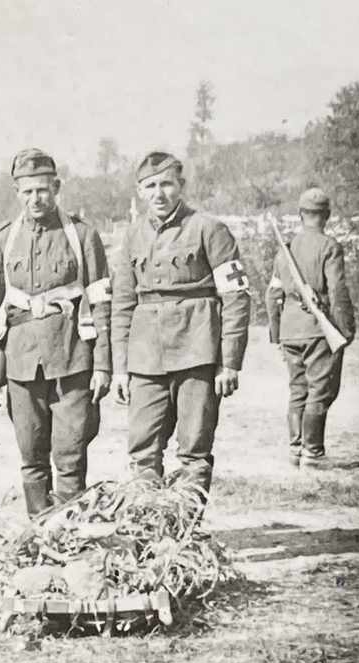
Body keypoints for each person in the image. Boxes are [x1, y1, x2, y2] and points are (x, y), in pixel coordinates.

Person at [0, 148, 111, 518]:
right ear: (17, 192)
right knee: (31, 453)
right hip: (21, 363)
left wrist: (104, 366)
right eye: (27, 191)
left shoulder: (82, 235)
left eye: (43, 190)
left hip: (72, 358)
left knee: (70, 453)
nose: (36, 198)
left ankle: (71, 535)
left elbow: (101, 304)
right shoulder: (4, 240)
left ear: (57, 187)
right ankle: (41, 533)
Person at [110, 151, 251, 496]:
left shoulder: (209, 229)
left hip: (197, 353)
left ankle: (182, 538)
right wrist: (120, 367)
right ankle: (148, 532)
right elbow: (123, 304)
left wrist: (229, 362)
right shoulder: (131, 236)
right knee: (142, 451)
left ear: (181, 186)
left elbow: (236, 298)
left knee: (194, 451)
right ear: (140, 191)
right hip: (145, 358)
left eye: (166, 184)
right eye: (150, 186)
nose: (159, 193)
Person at [264, 187, 356, 467]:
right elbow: (337, 290)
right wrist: (345, 328)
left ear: (301, 214)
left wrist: (277, 333)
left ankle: (295, 449)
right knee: (319, 390)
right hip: (318, 329)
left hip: (291, 330)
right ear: (326, 215)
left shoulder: (285, 251)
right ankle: (313, 452)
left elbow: (272, 295)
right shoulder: (329, 247)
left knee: (298, 390)